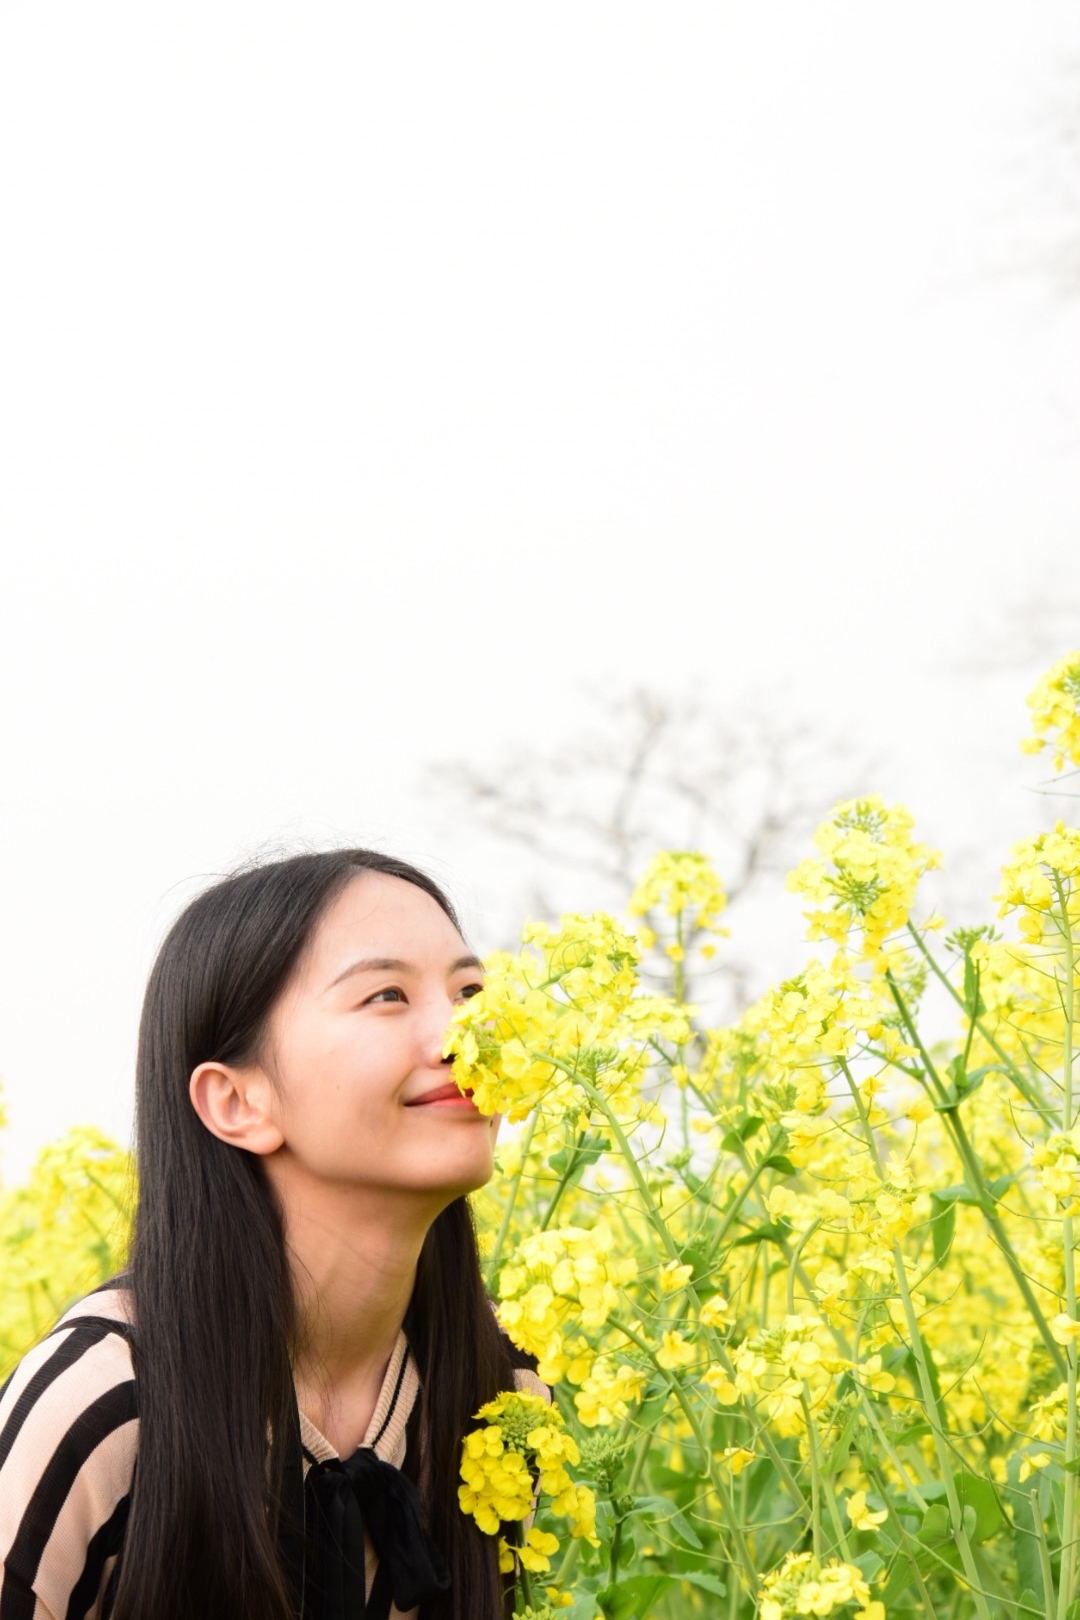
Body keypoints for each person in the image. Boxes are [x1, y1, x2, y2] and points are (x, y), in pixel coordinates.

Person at [0, 850, 546, 1620]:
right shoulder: (107, 1399)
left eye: (472, 991)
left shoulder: (503, 1395)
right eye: (387, 994)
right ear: (237, 1103)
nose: (468, 1036)